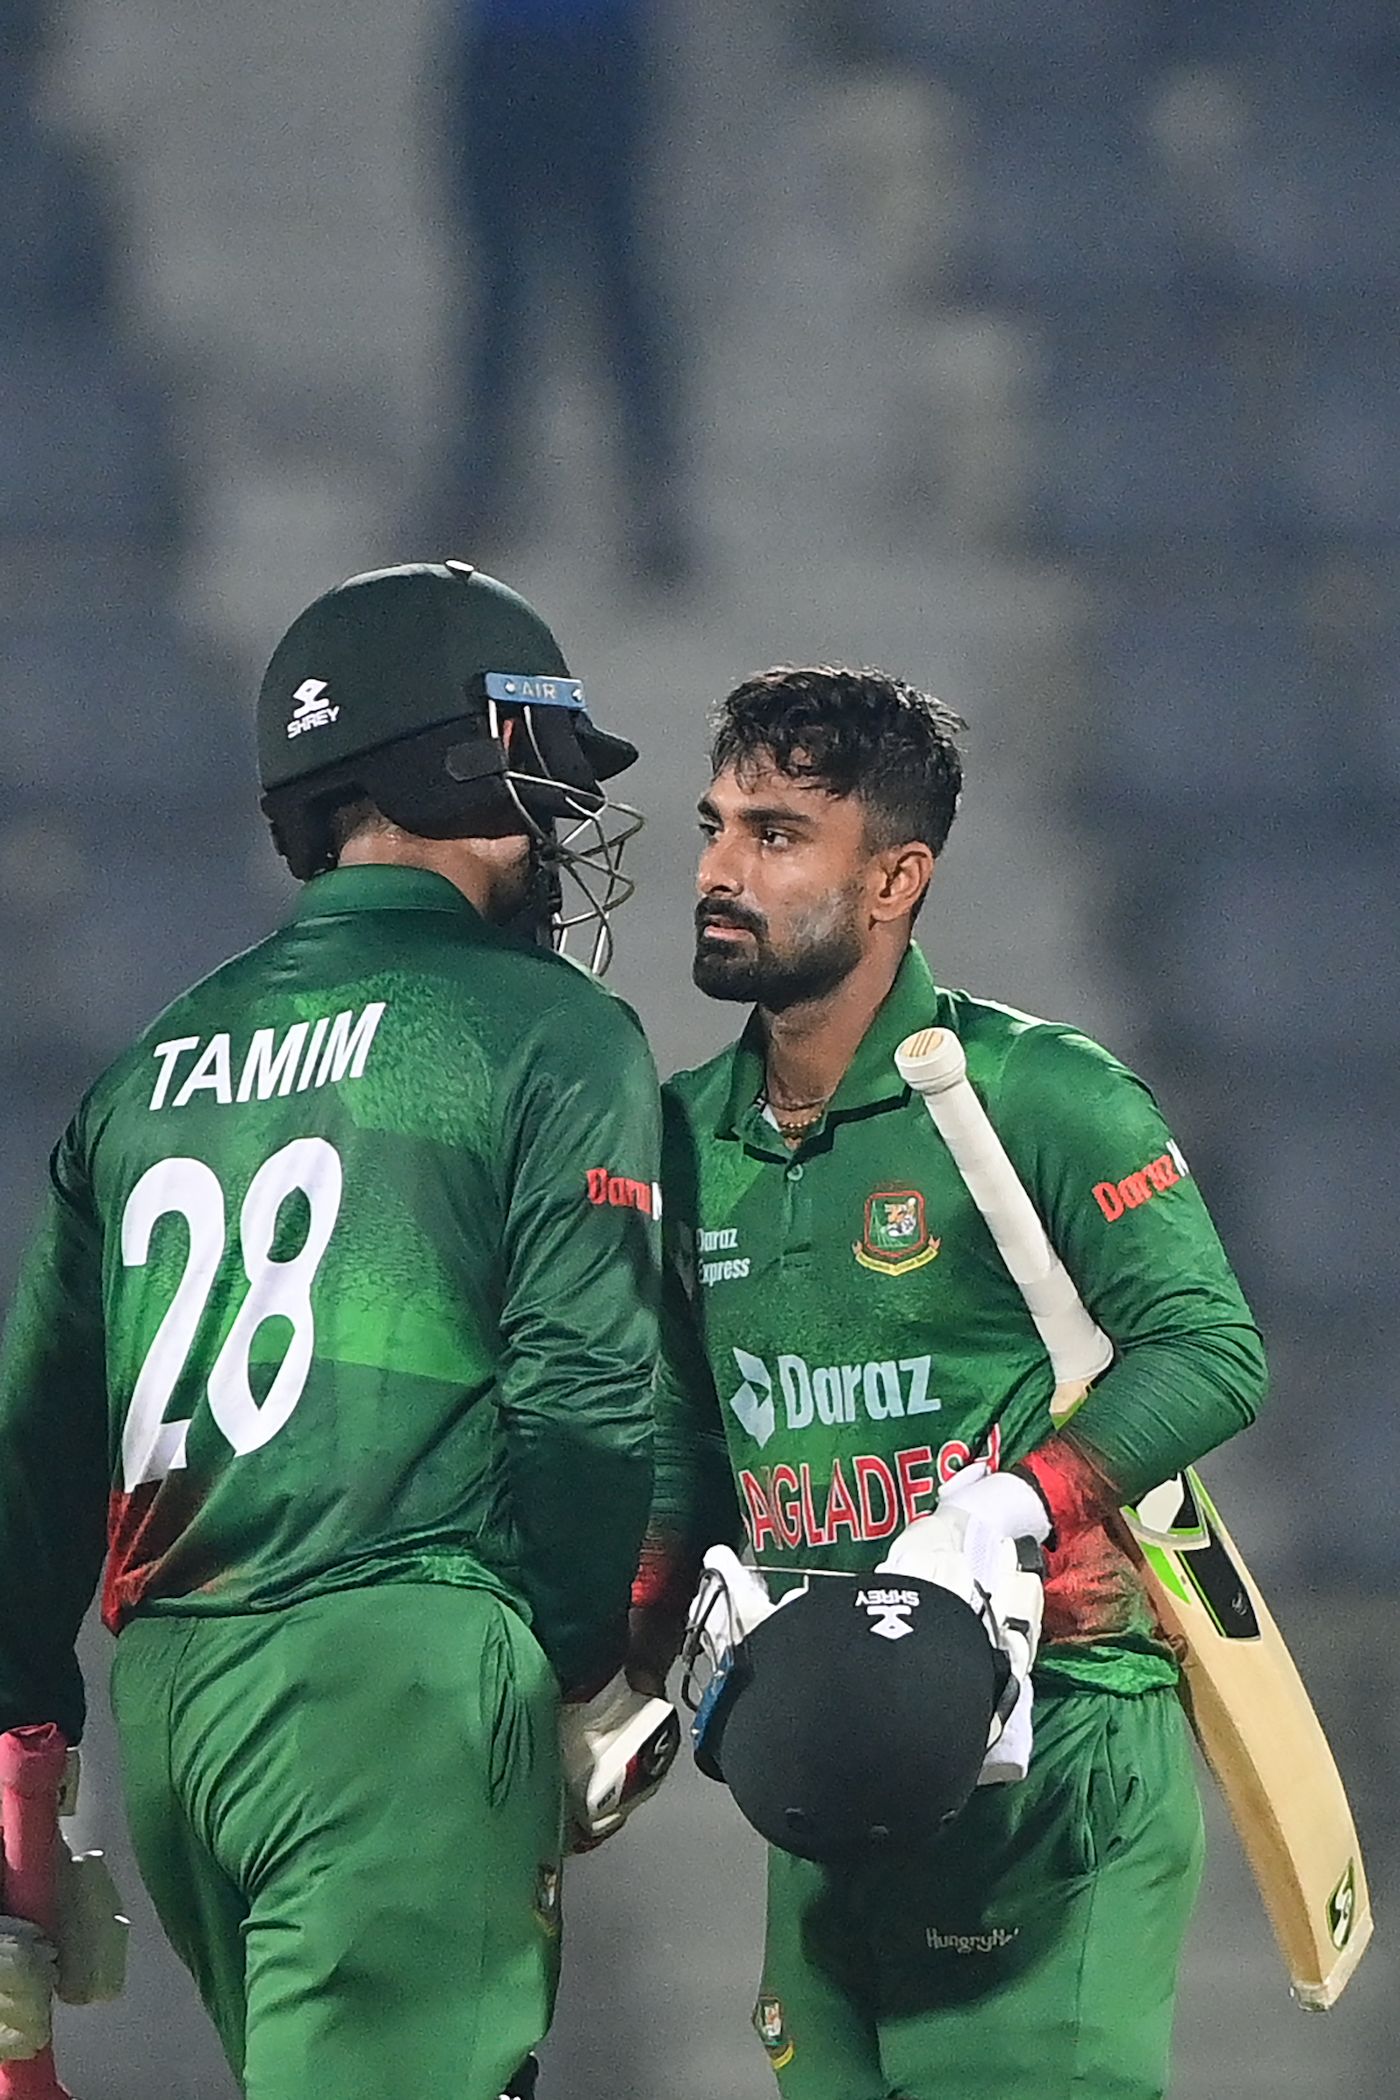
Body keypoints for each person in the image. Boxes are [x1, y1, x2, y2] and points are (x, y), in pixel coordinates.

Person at [0, 561, 674, 2100]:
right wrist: (575, 1675)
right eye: (530, 789)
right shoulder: (550, 1032)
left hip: (177, 1703)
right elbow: (582, 1401)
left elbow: (32, 1449)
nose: (549, 834)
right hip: (401, 1687)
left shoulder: (151, 1068)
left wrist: (24, 1755)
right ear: (456, 765)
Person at [630, 665, 1268, 2100]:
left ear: (895, 880)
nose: (719, 871)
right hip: (817, 1758)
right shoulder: (677, 1136)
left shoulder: (1041, 1094)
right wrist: (620, 1670)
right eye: (715, 824)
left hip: (1052, 1751)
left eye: (779, 835)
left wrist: (1020, 1504)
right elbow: (686, 1441)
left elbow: (1214, 1350)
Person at [432, 0, 692, 589]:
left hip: (588, 48)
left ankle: (651, 500)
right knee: (505, 293)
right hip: (517, 45)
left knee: (609, 287)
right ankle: (481, 491)